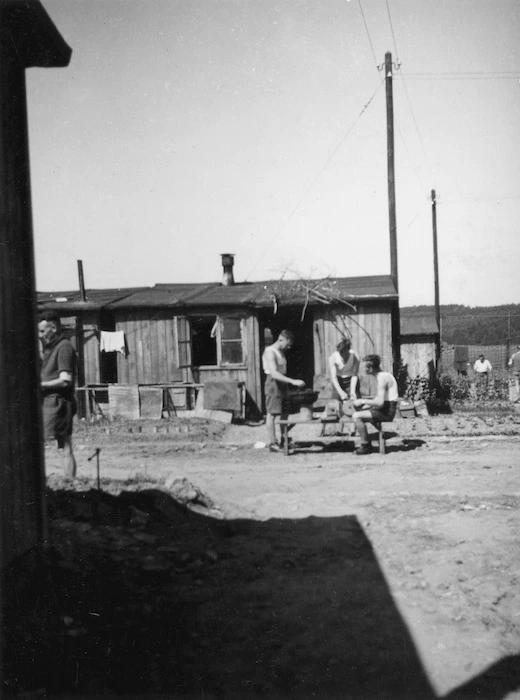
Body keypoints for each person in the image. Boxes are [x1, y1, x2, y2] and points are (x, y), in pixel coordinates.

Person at [39, 311, 78, 477]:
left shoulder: (64, 347)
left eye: (42, 331)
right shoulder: (51, 348)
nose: (40, 335)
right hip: (49, 402)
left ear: (53, 328)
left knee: (64, 446)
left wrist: (40, 385)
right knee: (63, 445)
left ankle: (69, 483)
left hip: (58, 403)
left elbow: (65, 379)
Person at [262, 329, 305, 452]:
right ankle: (272, 443)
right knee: (272, 413)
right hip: (273, 383)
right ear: (282, 339)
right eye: (288, 343)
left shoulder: (280, 352)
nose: (289, 346)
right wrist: (293, 381)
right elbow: (274, 374)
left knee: (285, 412)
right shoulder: (270, 352)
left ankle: (284, 439)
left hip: (282, 384)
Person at [352, 354, 398, 456]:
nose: (363, 369)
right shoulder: (383, 375)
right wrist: (367, 406)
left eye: (365, 367)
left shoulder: (382, 378)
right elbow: (379, 400)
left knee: (356, 416)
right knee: (361, 411)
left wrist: (363, 401)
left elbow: (380, 403)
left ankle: (365, 445)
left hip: (387, 411)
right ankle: (366, 443)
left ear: (371, 368)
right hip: (385, 407)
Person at [328, 338, 360, 403]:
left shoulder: (355, 356)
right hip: (338, 380)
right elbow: (334, 377)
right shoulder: (333, 357)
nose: (342, 355)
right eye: (340, 352)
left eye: (344, 352)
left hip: (351, 380)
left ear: (348, 350)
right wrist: (340, 392)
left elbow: (354, 375)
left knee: (355, 403)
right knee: (334, 405)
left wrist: (352, 392)